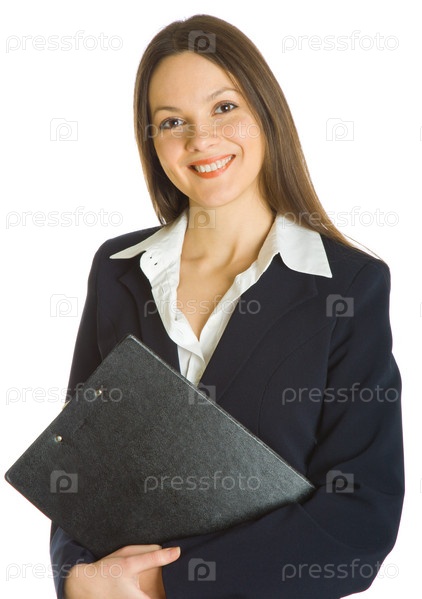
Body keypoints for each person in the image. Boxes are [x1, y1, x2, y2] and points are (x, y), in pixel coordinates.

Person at [50, 14, 404, 599]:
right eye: (172, 121)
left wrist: (166, 584)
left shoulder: (348, 287)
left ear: (265, 112)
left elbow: (360, 517)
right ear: (153, 141)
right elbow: (79, 469)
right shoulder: (117, 271)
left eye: (223, 108)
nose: (201, 140)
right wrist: (76, 580)